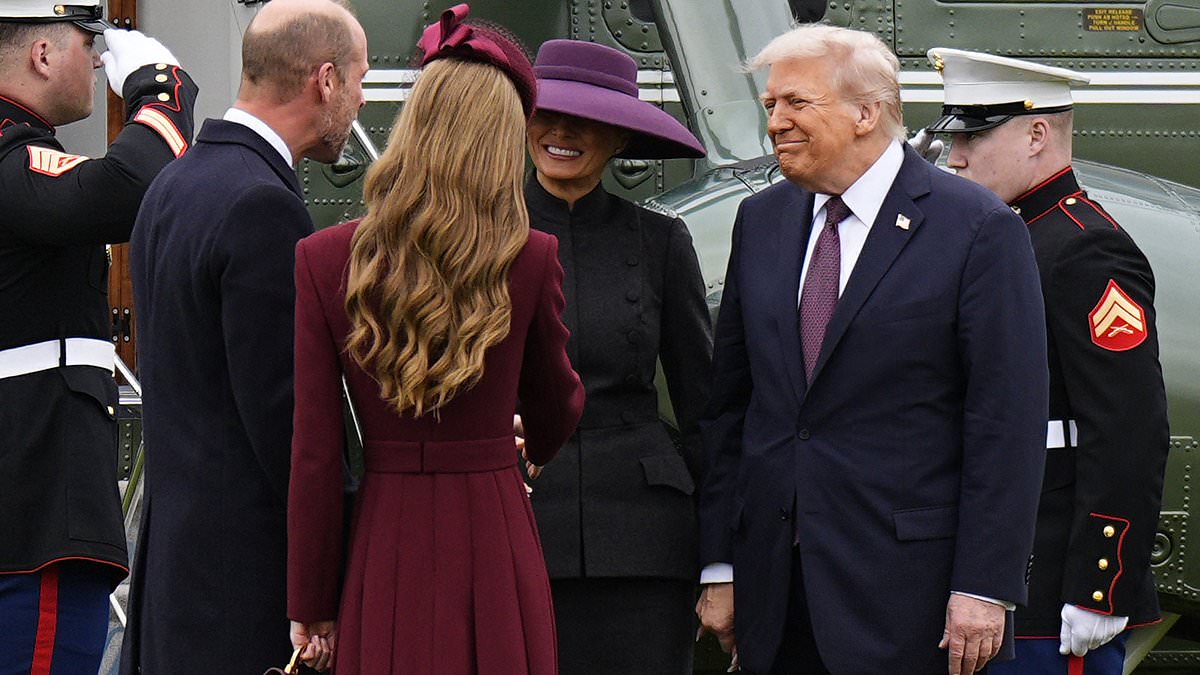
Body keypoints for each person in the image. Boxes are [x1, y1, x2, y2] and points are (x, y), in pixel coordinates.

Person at [693, 24, 1050, 674]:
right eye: (771, 105)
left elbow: (1007, 423)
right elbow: (731, 408)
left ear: (866, 112)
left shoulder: (975, 229)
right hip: (776, 597)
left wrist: (985, 585)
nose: (776, 122)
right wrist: (721, 561)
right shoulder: (762, 220)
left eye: (797, 103)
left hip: (909, 605)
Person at [287, 5, 584, 673]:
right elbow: (557, 409)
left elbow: (315, 454)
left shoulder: (324, 258)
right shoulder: (531, 257)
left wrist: (311, 601)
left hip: (385, 542)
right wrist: (521, 443)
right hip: (494, 533)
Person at [119, 0, 367, 672]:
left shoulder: (172, 186)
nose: (361, 101)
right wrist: (343, 560)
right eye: (360, 80)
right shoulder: (262, 205)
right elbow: (291, 425)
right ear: (324, 81)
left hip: (173, 586)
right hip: (241, 596)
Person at [928, 47, 1170, 675]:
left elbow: (1128, 430)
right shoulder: (1003, 236)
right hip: (990, 564)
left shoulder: (1085, 249)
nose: (955, 154)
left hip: (1052, 581)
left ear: (1037, 134)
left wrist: (1101, 584)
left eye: (974, 135)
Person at [0, 2, 196, 671]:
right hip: (36, 519)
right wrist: (161, 91)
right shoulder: (10, 155)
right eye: (92, 42)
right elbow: (128, 187)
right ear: (43, 54)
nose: (100, 60)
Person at [521, 38, 712, 675]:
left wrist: (721, 560)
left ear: (621, 138)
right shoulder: (479, 235)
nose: (562, 132)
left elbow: (704, 407)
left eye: (587, 120)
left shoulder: (660, 240)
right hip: (518, 530)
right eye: (546, 113)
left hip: (644, 546)